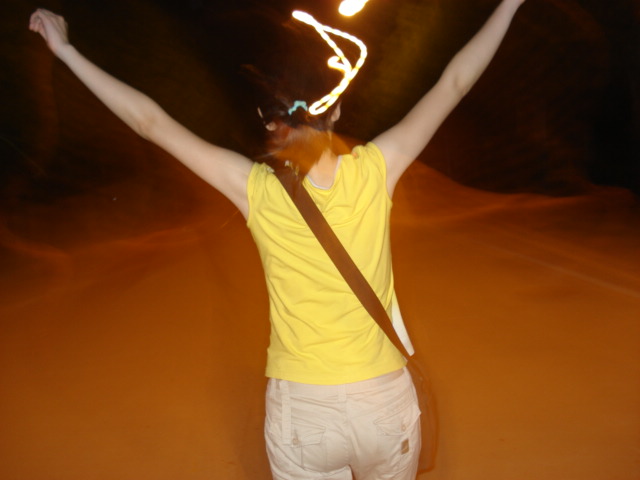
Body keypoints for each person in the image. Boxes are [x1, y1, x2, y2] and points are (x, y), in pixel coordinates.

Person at [29, 1, 527, 479]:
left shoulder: (254, 188)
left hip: (301, 412)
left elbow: (149, 122)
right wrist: (508, 5)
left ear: (271, 122)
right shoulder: (378, 169)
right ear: (335, 110)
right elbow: (455, 82)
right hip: (382, 401)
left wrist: (67, 51)